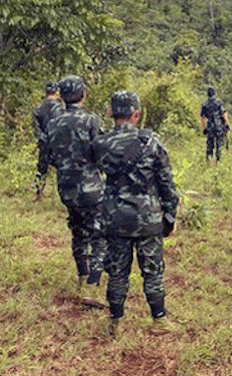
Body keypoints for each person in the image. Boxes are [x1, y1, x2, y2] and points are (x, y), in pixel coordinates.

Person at [94, 91, 180, 336]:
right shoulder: (151, 143)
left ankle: (115, 322)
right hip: (148, 219)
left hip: (115, 218)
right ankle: (159, 320)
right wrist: (170, 217)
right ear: (137, 114)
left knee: (117, 271)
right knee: (153, 270)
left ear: (111, 113)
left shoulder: (102, 144)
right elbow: (167, 185)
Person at [44, 75, 106, 305]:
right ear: (83, 95)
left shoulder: (53, 122)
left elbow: (48, 155)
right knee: (98, 236)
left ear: (61, 95)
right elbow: (100, 152)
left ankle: (82, 276)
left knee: (78, 232)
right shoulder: (91, 120)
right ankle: (93, 285)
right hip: (90, 187)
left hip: (66, 187)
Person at [32, 82, 63, 198]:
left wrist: (42, 139)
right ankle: (62, 194)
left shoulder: (38, 109)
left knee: (41, 169)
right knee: (61, 169)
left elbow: (36, 129)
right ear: (57, 93)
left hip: (44, 144)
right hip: (57, 144)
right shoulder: (60, 109)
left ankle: (38, 192)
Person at [200, 86, 229, 162]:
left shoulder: (205, 104)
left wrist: (204, 129)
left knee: (209, 143)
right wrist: (227, 124)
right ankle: (218, 160)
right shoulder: (219, 102)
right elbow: (223, 113)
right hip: (219, 125)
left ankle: (208, 159)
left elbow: (203, 118)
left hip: (210, 126)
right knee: (219, 143)